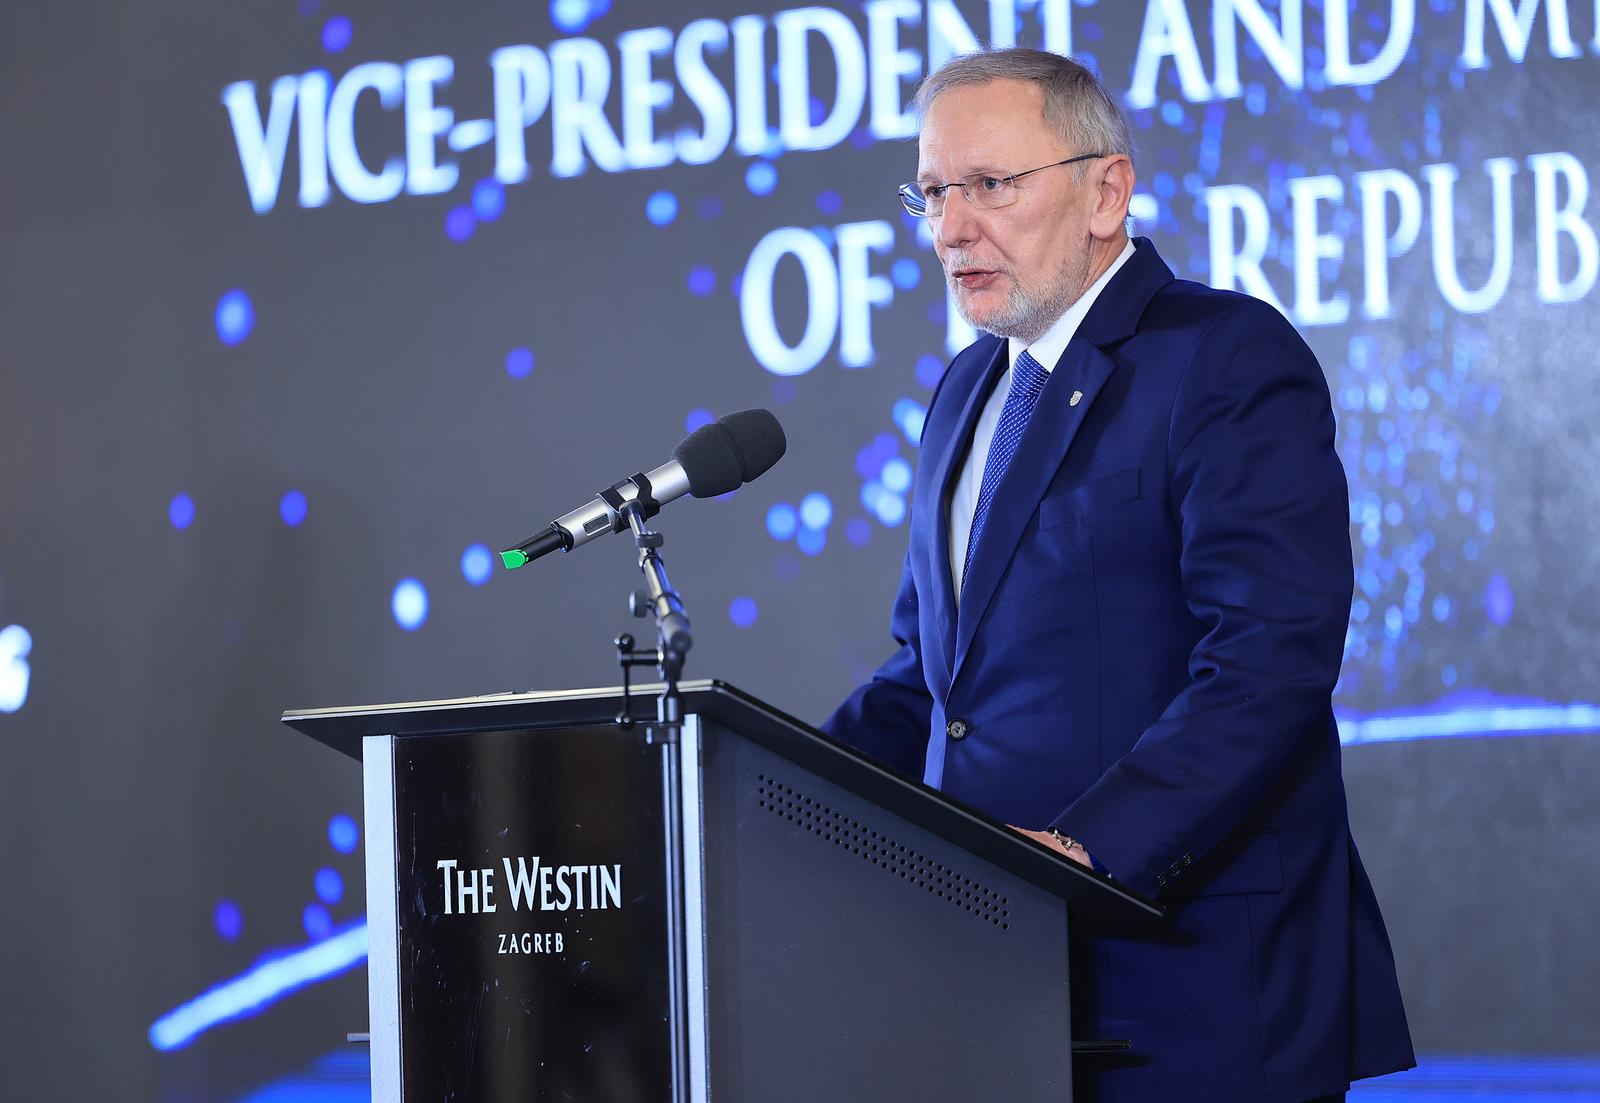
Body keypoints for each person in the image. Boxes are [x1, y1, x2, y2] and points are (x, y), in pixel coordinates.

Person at [822, 47, 1415, 1102]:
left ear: (1107, 192)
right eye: (935, 193)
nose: (952, 229)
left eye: (991, 186)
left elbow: (1267, 659)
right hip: (994, 982)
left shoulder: (1223, 355)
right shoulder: (964, 392)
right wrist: (760, 798)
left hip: (1192, 991)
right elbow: (929, 682)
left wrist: (1083, 849)